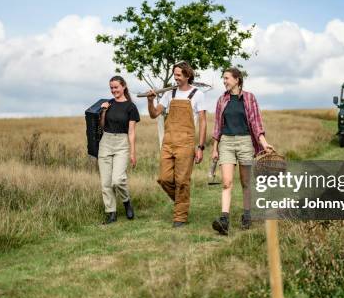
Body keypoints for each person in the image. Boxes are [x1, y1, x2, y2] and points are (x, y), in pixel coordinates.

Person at [211, 67, 273, 235]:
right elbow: (217, 125)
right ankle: (224, 219)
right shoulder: (221, 100)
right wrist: (215, 148)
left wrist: (264, 143)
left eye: (227, 78)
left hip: (245, 142)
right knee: (226, 182)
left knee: (246, 182)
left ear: (237, 80)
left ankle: (247, 215)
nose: (224, 81)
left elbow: (256, 123)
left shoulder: (249, 98)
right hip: (226, 143)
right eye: (223, 79)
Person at [146, 61, 207, 228]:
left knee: (182, 180)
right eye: (175, 75)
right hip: (168, 142)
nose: (176, 78)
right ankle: (183, 201)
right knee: (164, 178)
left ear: (187, 75)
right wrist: (150, 101)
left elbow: (202, 122)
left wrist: (200, 147)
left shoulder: (197, 94)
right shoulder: (169, 94)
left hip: (186, 144)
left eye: (179, 75)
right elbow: (154, 114)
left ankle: (180, 216)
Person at [98, 76, 140, 224]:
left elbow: (132, 132)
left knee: (117, 180)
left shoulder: (131, 107)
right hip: (106, 142)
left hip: (122, 143)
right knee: (106, 183)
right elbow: (102, 125)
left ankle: (127, 201)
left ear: (123, 87)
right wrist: (103, 111)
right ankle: (111, 213)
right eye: (111, 88)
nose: (113, 90)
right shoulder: (108, 103)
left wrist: (133, 152)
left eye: (116, 87)